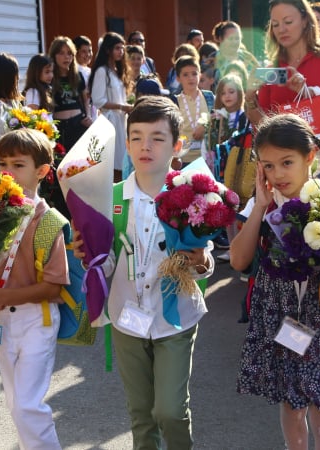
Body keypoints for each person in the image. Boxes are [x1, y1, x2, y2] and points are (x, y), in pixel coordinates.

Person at [72, 96, 214, 449]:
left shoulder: (193, 197)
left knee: (170, 411)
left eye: (156, 137)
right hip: (127, 319)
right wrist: (86, 255)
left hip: (175, 320)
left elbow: (204, 259)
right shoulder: (110, 198)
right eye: (136, 137)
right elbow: (104, 265)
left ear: (177, 146)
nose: (144, 146)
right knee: (141, 413)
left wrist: (199, 263)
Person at [232, 113, 320, 450]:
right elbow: (238, 260)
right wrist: (259, 208)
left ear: (310, 156)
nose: (277, 174)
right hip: (278, 315)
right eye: (267, 166)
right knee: (291, 403)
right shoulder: (263, 206)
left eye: (286, 162)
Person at [0, 128, 70, 450]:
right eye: (3, 163)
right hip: (1, 321)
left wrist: (1, 296)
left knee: (27, 406)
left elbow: (52, 288)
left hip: (38, 320)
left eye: (18, 164)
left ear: (42, 172)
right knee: (15, 404)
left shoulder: (49, 221)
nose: (7, 171)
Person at [247, 0, 320, 161]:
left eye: (288, 22)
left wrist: (309, 92)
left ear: (305, 20)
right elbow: (264, 125)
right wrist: (249, 97)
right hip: (286, 158)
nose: (282, 29)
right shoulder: (273, 68)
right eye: (275, 24)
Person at [46, 36, 93, 219]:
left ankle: (80, 213)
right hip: (59, 129)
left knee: (79, 171)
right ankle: (63, 214)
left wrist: (87, 116)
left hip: (78, 125)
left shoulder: (77, 75)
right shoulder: (50, 76)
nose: (66, 57)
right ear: (54, 55)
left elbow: (85, 99)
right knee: (60, 171)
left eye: (69, 54)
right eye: (61, 53)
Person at [209, 73, 248, 264]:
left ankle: (240, 249)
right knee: (228, 208)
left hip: (239, 166)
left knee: (240, 207)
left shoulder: (244, 116)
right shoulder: (216, 116)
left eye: (231, 91)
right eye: (223, 93)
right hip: (222, 167)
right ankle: (232, 247)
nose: (227, 96)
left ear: (240, 93)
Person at [90, 32, 132, 181]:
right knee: (114, 162)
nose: (120, 51)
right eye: (117, 48)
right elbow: (98, 100)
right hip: (110, 121)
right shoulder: (102, 71)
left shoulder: (117, 71)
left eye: (122, 48)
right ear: (108, 50)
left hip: (121, 120)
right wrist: (121, 107)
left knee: (123, 161)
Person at [174, 55, 215, 167]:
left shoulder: (209, 97)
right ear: (178, 78)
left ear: (200, 74)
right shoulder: (174, 101)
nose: (191, 78)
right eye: (185, 75)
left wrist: (205, 126)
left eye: (194, 73)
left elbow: (218, 119)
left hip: (206, 158)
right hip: (183, 159)